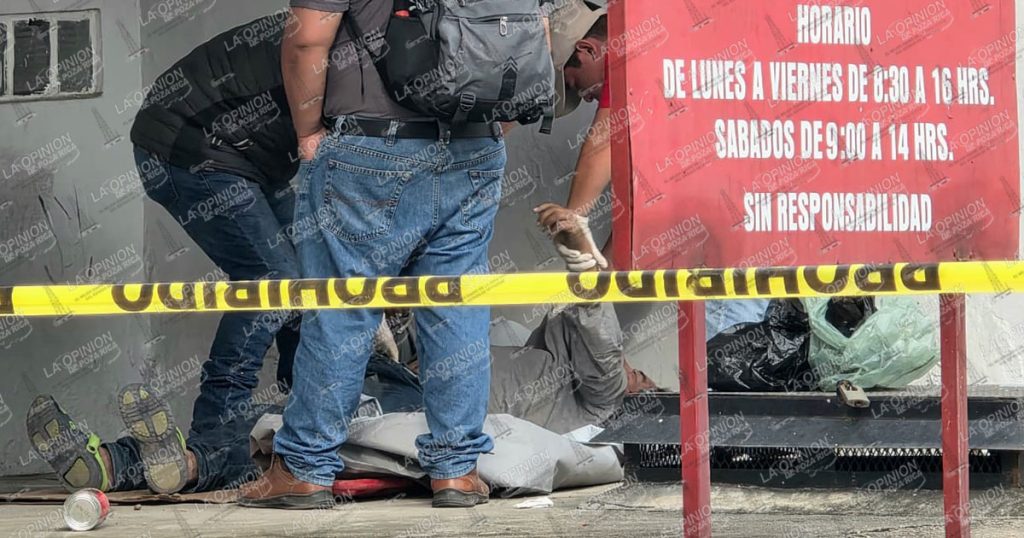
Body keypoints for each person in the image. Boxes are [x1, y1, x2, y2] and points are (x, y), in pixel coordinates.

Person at [238, 1, 514, 510]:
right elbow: (531, 42)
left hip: (371, 145)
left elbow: (307, 39)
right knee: (456, 304)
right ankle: (457, 470)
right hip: (475, 144)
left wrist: (307, 133)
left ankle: (304, 468)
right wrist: (482, 132)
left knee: (342, 307)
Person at [26, 15, 302, 496]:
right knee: (276, 281)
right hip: (198, 145)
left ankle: (113, 464)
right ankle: (213, 447)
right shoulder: (352, 40)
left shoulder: (362, 35)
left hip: (238, 155)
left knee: (302, 288)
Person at [536, 0, 770, 335]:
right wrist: (597, 281)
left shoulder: (631, 49)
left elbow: (602, 143)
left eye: (575, 85)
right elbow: (640, 210)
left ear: (587, 49)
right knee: (727, 346)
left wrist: (573, 217)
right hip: (744, 228)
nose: (586, 98)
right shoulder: (665, 67)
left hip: (733, 236)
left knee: (726, 344)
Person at [365, 301, 661, 435]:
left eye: (641, 378)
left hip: (432, 398)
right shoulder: (564, 374)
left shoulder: (606, 398)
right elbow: (579, 320)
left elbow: (603, 343)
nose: (638, 372)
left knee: (357, 401)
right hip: (424, 379)